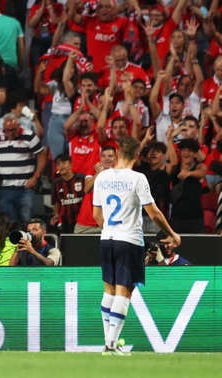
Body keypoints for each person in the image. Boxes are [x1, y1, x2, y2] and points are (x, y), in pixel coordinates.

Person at [92, 136, 182, 356]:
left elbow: (96, 214)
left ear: (118, 152)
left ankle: (109, 342)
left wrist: (111, 229)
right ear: (137, 156)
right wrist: (172, 233)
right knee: (124, 292)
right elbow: (154, 213)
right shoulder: (137, 178)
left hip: (106, 240)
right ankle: (110, 346)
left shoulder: (101, 177)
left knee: (109, 291)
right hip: (128, 240)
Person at [0, 113, 46, 224]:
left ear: (18, 126)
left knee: (26, 221)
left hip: (25, 188)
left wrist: (36, 176)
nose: (10, 133)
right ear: (3, 128)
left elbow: (42, 157)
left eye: (13, 130)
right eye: (7, 130)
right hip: (5, 187)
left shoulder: (29, 136)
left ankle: (25, 241)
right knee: (6, 222)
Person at [51, 154, 86, 234]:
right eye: (58, 164)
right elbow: (56, 202)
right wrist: (56, 214)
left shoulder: (82, 178)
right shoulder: (56, 183)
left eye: (63, 163)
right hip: (66, 221)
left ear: (70, 165)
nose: (61, 166)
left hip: (82, 219)